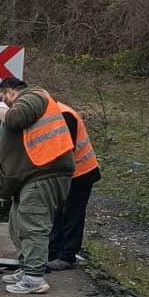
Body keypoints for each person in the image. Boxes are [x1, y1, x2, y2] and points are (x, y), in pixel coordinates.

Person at [0, 76, 76, 295]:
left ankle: (34, 277)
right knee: (18, 224)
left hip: (44, 173)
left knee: (32, 225)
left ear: (10, 91)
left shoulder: (35, 96)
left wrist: (0, 109)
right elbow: (26, 141)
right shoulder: (32, 105)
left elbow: (16, 119)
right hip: (33, 174)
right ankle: (26, 267)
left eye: (3, 97)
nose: (4, 102)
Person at [47, 100, 101, 269]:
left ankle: (67, 256)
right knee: (59, 213)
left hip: (81, 173)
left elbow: (64, 150)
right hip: (71, 172)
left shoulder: (64, 115)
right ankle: (53, 252)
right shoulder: (55, 113)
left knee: (72, 213)